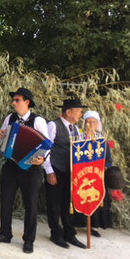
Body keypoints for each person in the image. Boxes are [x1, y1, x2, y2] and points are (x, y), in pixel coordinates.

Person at [0, 88, 48, 254]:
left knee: (31, 205)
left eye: (17, 100)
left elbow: (46, 145)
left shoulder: (38, 121)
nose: (13, 102)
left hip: (31, 169)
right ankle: (5, 234)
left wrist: (42, 159)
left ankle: (29, 240)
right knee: (6, 201)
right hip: (11, 165)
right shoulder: (10, 118)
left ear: (27, 102)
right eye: (13, 100)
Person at [45, 98, 88, 249]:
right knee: (54, 203)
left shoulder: (75, 129)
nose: (81, 114)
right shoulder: (53, 125)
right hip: (56, 169)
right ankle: (56, 233)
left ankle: (70, 234)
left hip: (69, 171)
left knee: (67, 204)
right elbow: (46, 149)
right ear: (68, 112)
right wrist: (49, 171)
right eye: (79, 111)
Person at [73, 110, 114, 236]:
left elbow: (108, 160)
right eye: (88, 122)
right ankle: (80, 223)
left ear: (97, 124)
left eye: (93, 122)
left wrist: (105, 167)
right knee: (81, 196)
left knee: (96, 198)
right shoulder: (79, 139)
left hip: (97, 176)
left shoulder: (102, 140)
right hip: (83, 175)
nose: (91, 124)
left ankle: (94, 226)